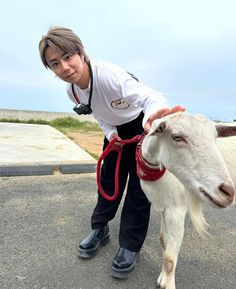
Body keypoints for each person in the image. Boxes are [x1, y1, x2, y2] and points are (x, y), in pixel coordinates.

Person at [39, 26, 185, 279]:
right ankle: (99, 228)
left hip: (141, 127)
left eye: (67, 57)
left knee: (139, 190)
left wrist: (153, 117)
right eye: (55, 63)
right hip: (116, 133)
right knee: (109, 182)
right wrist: (111, 134)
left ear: (80, 53)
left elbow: (149, 96)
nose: (64, 67)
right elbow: (98, 113)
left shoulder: (109, 76)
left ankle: (130, 245)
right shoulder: (71, 90)